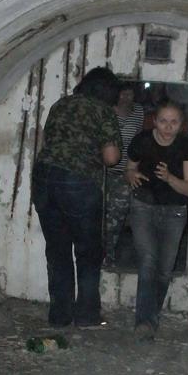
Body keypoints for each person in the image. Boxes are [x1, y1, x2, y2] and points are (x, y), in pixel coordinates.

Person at [31, 66, 122, 328]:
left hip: (43, 178)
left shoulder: (60, 105)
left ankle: (60, 316)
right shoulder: (103, 110)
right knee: (88, 250)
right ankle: (86, 315)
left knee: (57, 249)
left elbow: (48, 141)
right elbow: (111, 158)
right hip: (78, 181)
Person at [125, 98, 188, 340]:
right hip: (143, 206)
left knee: (164, 269)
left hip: (174, 211)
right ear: (155, 121)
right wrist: (131, 174)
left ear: (181, 124)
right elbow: (129, 168)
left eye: (174, 122)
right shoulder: (142, 141)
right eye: (163, 121)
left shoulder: (186, 145)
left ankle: (151, 316)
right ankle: (144, 322)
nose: (168, 127)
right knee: (148, 261)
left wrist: (169, 178)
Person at [104, 82, 145, 267]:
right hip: (102, 170)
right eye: (122, 94)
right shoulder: (106, 110)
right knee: (98, 214)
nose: (125, 98)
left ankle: (108, 255)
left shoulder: (138, 112)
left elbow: (138, 141)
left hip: (124, 172)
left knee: (116, 216)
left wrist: (134, 168)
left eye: (129, 94)